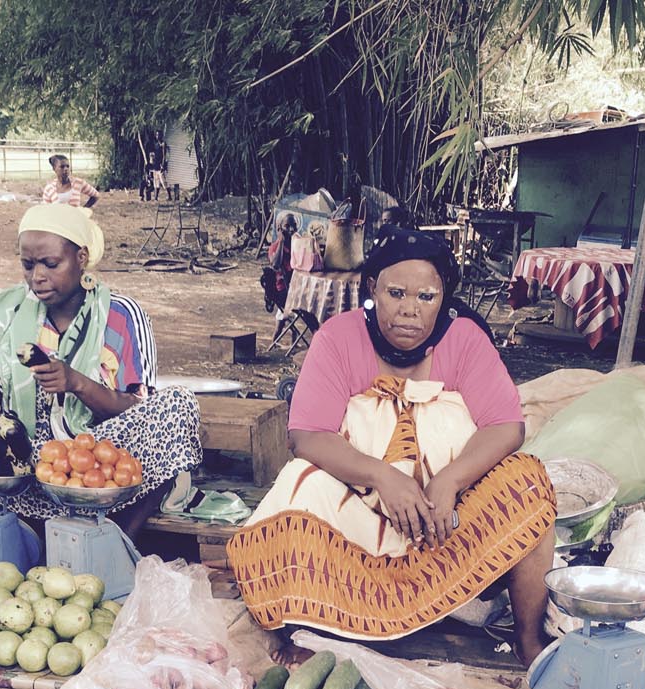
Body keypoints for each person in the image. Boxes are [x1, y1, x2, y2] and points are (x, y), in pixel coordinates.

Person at [227, 227, 557, 664]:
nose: (409, 311)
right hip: (360, 517)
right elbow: (306, 434)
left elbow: (506, 426)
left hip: (448, 525)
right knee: (298, 484)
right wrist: (382, 476)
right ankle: (308, 622)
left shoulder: (465, 339)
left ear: (444, 298)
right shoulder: (338, 338)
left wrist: (450, 481)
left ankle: (528, 641)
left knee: (527, 481)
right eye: (396, 293)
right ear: (371, 289)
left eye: (426, 297)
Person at [0, 204, 201, 536]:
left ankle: (116, 539)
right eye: (27, 265)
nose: (37, 277)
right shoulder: (8, 309)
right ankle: (15, 516)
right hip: (21, 459)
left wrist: (78, 383)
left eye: (51, 264)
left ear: (81, 258)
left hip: (97, 461)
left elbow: (138, 407)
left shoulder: (119, 315)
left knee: (178, 405)